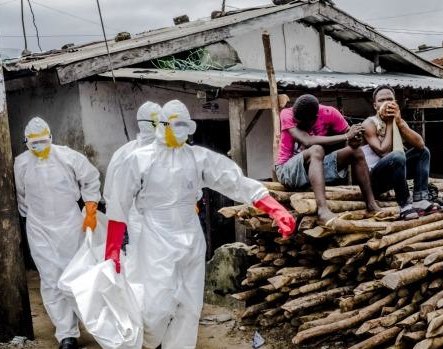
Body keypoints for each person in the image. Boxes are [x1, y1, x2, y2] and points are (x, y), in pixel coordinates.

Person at [104, 100, 295, 349]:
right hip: (155, 238)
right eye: (176, 125)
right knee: (155, 309)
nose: (181, 131)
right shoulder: (138, 160)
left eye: (185, 126)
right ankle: (149, 343)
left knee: (189, 307)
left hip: (191, 238)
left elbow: (232, 179)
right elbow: (118, 204)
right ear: (162, 126)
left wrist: (273, 207)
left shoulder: (197, 158)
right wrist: (112, 250)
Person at [14, 117, 101, 349]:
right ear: (26, 143)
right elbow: (22, 198)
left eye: (43, 142)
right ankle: (66, 334)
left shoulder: (68, 156)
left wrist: (91, 209)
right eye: (34, 144)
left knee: (78, 276)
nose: (39, 147)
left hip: (71, 225)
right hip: (39, 228)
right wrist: (32, 217)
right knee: (51, 280)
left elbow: (91, 179)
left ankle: (97, 326)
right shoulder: (20, 164)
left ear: (50, 138)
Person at [275, 94, 381, 224]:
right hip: (287, 171)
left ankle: (371, 204)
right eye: (297, 121)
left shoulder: (330, 113)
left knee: (356, 152)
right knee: (317, 149)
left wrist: (355, 138)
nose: (298, 124)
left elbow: (352, 141)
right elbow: (307, 140)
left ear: (315, 118)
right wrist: (346, 136)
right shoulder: (286, 113)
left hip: (314, 170)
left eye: (302, 123)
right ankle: (322, 210)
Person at [361, 85, 443, 220]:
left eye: (390, 99)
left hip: (395, 175)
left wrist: (398, 122)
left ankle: (420, 199)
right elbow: (383, 152)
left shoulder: (397, 120)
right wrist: (388, 123)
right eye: (382, 100)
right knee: (398, 156)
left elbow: (420, 144)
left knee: (423, 152)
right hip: (374, 180)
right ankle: (404, 205)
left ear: (396, 103)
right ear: (375, 106)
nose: (386, 103)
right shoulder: (369, 123)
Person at [103, 101, 161, 283]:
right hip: (137, 216)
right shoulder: (126, 153)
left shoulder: (171, 151)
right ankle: (145, 304)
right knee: (142, 256)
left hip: (167, 215)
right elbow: (112, 193)